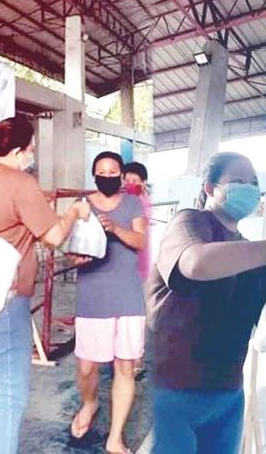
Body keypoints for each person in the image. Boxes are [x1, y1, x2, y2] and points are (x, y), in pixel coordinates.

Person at [147, 151, 266, 454]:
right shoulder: (189, 223)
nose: (249, 188)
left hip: (226, 393)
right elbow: (196, 264)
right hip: (172, 390)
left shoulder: (251, 253)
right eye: (238, 181)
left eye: (254, 182)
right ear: (209, 188)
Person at [0, 115, 90, 454]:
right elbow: (53, 236)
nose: (32, 155)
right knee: (10, 403)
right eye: (31, 149)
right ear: (20, 151)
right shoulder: (18, 182)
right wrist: (75, 213)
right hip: (6, 301)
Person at [69, 152, 147, 454]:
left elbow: (140, 241)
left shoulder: (132, 203)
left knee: (124, 367)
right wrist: (75, 257)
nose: (107, 175)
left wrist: (114, 228)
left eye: (113, 171)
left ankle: (115, 437)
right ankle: (90, 403)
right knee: (87, 367)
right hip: (93, 292)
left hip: (126, 294)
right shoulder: (82, 204)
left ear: (120, 174)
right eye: (101, 171)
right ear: (94, 174)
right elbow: (71, 245)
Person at [123, 161, 151, 377]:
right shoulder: (124, 200)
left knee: (136, 315)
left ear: (143, 183)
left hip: (139, 266)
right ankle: (124, 356)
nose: (130, 183)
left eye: (135, 180)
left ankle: (137, 360)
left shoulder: (142, 202)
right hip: (123, 265)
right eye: (127, 180)